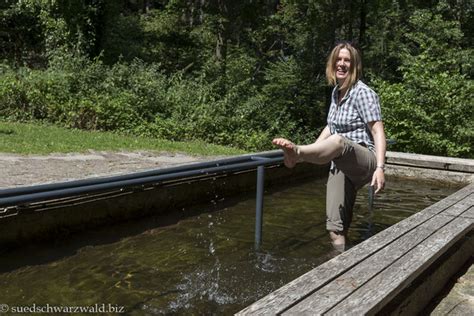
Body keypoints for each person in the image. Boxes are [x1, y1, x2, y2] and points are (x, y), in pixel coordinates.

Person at [272, 42, 386, 250]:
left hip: (364, 159)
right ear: (332, 64)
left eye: (347, 60)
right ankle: (340, 267)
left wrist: (380, 167)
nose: (342, 64)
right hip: (340, 164)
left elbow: (378, 131)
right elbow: (330, 126)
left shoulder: (363, 93)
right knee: (335, 229)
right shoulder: (336, 93)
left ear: (354, 66)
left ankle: (296, 153)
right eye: (338, 60)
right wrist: (312, 149)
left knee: (338, 141)